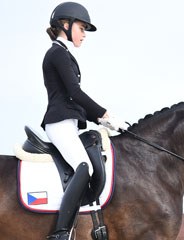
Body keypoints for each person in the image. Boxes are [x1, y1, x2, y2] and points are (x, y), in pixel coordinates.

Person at [41, 2, 128, 239]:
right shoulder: (57, 53)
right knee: (84, 166)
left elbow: (74, 102)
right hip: (59, 124)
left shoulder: (63, 53)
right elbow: (74, 93)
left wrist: (103, 122)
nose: (84, 34)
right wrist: (105, 114)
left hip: (67, 122)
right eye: (81, 28)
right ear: (65, 25)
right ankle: (60, 233)